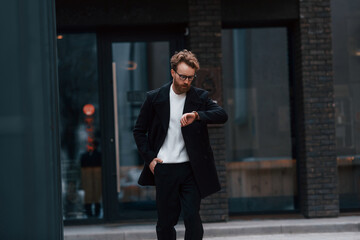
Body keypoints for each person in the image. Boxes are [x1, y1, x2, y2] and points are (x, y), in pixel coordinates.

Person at [133, 49, 228, 240]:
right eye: (183, 76)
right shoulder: (155, 98)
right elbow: (138, 131)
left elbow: (222, 115)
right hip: (164, 168)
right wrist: (150, 159)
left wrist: (197, 115)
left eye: (191, 78)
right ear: (172, 73)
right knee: (166, 222)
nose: (186, 82)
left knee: (193, 218)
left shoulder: (199, 98)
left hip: (190, 169)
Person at [80, 140, 102, 218]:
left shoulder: (99, 155)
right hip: (88, 174)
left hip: (97, 174)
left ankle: (97, 212)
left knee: (97, 193)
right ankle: (89, 212)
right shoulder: (85, 155)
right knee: (88, 194)